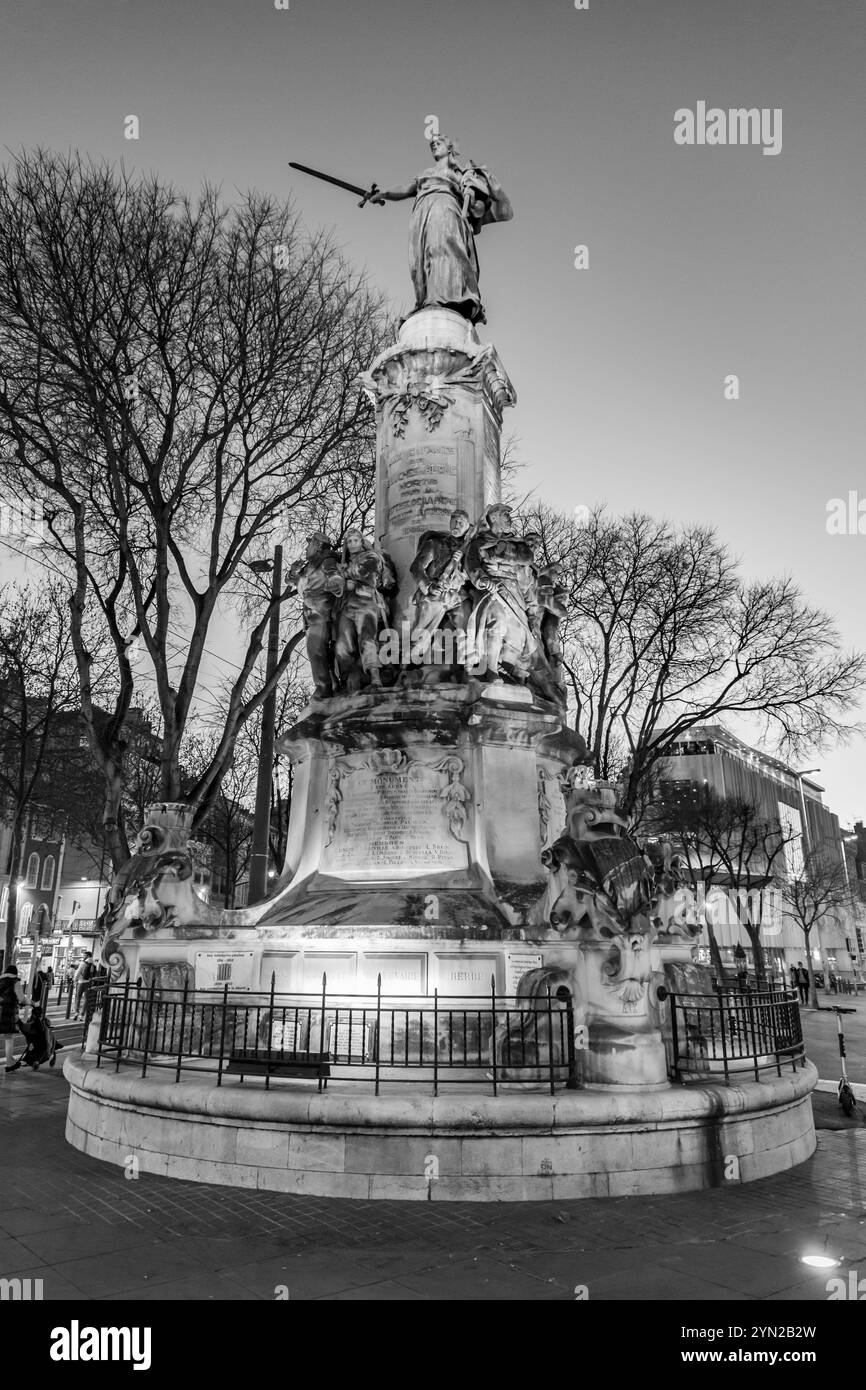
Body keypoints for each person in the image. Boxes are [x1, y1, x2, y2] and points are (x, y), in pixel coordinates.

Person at [368, 132, 512, 325]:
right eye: (432, 144)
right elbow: (405, 189)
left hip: (446, 209)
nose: (434, 146)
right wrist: (383, 194)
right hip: (422, 212)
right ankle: (429, 300)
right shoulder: (425, 173)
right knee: (422, 257)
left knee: (445, 249)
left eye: (438, 143)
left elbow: (479, 207)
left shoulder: (462, 174)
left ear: (450, 148)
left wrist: (472, 200)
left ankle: (449, 299)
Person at [0, 964, 24, 1072]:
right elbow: (21, 999)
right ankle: (9, 1063)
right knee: (8, 1038)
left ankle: (11, 1060)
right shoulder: (15, 982)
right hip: (8, 1012)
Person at [73, 952, 94, 1021]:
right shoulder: (93, 963)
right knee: (86, 999)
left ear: (87, 956)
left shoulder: (83, 963)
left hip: (81, 982)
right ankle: (82, 1015)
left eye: (84, 955)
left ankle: (76, 1013)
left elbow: (78, 972)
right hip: (88, 982)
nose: (83, 956)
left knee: (78, 998)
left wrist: (75, 979)